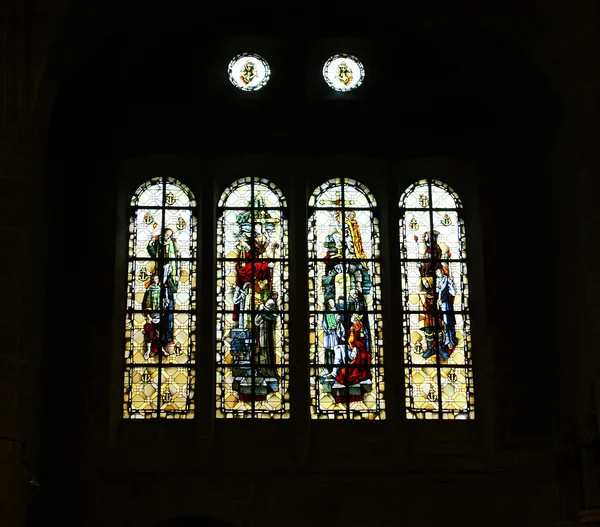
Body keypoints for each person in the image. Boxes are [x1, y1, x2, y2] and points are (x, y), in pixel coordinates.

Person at [142, 273, 169, 360]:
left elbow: (164, 300)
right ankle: (148, 350)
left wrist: (165, 301)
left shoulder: (161, 289)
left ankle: (161, 349)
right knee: (150, 334)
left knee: (160, 334)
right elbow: (147, 304)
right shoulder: (149, 290)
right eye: (154, 279)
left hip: (160, 314)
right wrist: (148, 316)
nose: (155, 281)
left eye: (157, 279)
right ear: (151, 280)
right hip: (151, 315)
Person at [321, 298, 344, 373]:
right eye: (330, 303)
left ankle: (336, 369)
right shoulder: (326, 313)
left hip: (335, 334)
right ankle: (329, 368)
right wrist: (328, 329)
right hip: (328, 335)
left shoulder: (337, 312)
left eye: (332, 302)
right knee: (328, 351)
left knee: (335, 351)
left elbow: (340, 324)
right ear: (328, 305)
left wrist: (339, 321)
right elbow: (324, 323)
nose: (332, 304)